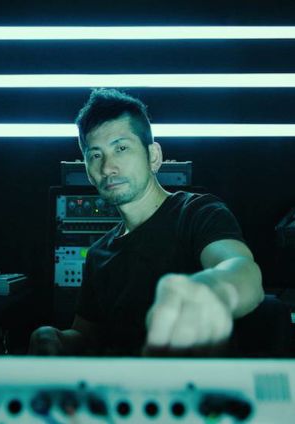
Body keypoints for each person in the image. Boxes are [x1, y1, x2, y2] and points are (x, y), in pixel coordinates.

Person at [30, 88, 264, 356]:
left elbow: (242, 270)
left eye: (121, 148)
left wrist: (215, 291)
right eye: (95, 155)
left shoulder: (198, 213)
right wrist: (58, 340)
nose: (107, 167)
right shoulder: (98, 254)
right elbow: (87, 335)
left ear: (153, 156)